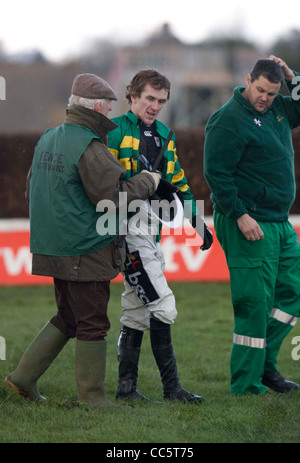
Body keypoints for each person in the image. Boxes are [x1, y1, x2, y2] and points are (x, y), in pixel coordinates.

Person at [4, 73, 162, 408]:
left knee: (69, 317)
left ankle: (21, 380)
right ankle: (92, 398)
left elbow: (34, 187)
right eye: (109, 107)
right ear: (98, 107)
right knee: (92, 322)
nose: (110, 113)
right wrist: (147, 180)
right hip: (84, 249)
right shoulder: (90, 146)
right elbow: (114, 197)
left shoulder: (49, 137)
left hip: (53, 247)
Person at [107, 69, 213, 403]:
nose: (155, 106)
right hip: (126, 231)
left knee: (137, 311)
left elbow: (178, 181)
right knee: (163, 306)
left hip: (154, 231)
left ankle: (126, 390)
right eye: (150, 98)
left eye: (161, 101)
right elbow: (102, 184)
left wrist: (197, 221)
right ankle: (172, 390)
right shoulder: (112, 131)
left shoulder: (166, 134)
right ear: (133, 95)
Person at [204, 56, 300, 395]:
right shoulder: (228, 120)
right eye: (260, 90)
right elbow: (217, 174)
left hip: (278, 221)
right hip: (245, 220)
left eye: (272, 93)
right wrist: (240, 214)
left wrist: (291, 76)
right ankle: (246, 385)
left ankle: (265, 365)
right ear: (248, 80)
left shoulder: (278, 110)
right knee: (254, 303)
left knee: (293, 293)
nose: (265, 98)